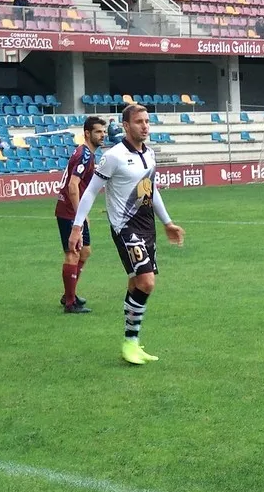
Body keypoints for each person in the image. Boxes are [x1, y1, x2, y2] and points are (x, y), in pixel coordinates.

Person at [68, 105, 185, 364]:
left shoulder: (149, 154)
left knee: (135, 283)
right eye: (139, 122)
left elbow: (150, 190)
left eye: (147, 121)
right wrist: (77, 227)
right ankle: (130, 343)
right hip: (125, 227)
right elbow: (90, 191)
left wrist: (167, 222)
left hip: (147, 226)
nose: (145, 126)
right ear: (125, 126)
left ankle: (131, 341)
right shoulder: (114, 156)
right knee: (147, 282)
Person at [55, 116, 107, 314]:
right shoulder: (84, 155)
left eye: (103, 131)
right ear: (87, 133)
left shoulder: (86, 153)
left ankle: (69, 293)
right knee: (73, 253)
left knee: (85, 251)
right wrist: (80, 216)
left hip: (72, 211)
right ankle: (70, 303)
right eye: (98, 132)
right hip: (69, 211)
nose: (102, 135)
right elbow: (73, 185)